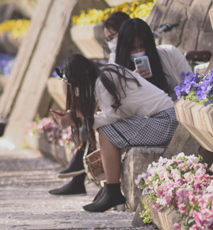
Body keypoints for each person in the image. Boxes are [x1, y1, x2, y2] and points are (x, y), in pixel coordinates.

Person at [51, 54, 178, 212]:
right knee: (105, 129)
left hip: (165, 122)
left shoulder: (104, 81)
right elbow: (113, 116)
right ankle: (109, 190)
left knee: (106, 131)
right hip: (161, 120)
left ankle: (112, 191)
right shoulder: (105, 74)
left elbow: (110, 118)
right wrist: (76, 117)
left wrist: (77, 121)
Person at [48, 10, 131, 196]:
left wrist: (80, 119)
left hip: (132, 112)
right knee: (88, 118)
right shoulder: (114, 57)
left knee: (96, 125)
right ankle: (84, 178)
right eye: (108, 38)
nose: (111, 42)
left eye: (113, 36)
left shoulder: (139, 53)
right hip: (120, 107)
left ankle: (91, 180)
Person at [111, 18, 191, 96]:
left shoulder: (170, 53)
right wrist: (132, 85)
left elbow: (191, 83)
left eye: (142, 46)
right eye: (132, 48)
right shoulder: (117, 72)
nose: (139, 52)